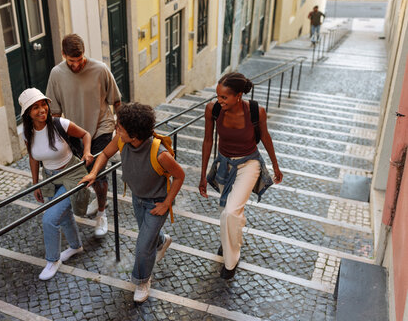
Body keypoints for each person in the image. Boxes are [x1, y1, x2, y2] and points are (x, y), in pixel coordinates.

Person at [80, 103, 185, 303]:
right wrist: (93, 173)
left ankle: (142, 280)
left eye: (120, 127)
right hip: (138, 199)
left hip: (156, 204)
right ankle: (162, 241)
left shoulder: (160, 153)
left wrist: (166, 204)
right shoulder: (121, 140)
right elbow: (104, 154)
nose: (116, 130)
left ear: (134, 135)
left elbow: (180, 176)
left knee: (143, 245)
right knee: (150, 238)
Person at [198, 73, 283, 280]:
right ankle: (230, 239)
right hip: (224, 164)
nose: (219, 101)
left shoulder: (256, 111)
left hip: (249, 164)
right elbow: (208, 140)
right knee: (229, 212)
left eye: (224, 97)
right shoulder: (213, 110)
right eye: (217, 96)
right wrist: (202, 175)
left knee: (229, 213)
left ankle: (231, 261)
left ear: (238, 96)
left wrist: (275, 165)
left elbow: (265, 137)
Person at [46, 34, 121, 238]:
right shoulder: (56, 74)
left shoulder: (100, 69)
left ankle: (102, 215)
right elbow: (54, 113)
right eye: (72, 61)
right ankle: (96, 198)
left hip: (101, 128)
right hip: (75, 133)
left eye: (80, 60)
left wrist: (119, 126)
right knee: (81, 173)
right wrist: (56, 140)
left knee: (98, 172)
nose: (77, 65)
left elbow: (116, 100)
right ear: (63, 55)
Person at [19, 88, 94, 281]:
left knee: (49, 219)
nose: (42, 109)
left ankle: (53, 260)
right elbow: (34, 159)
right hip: (50, 177)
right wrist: (35, 184)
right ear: (28, 113)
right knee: (63, 216)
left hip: (72, 173)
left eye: (43, 104)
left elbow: (85, 134)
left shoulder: (60, 123)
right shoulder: (28, 134)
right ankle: (76, 246)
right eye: (35, 107)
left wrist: (86, 152)